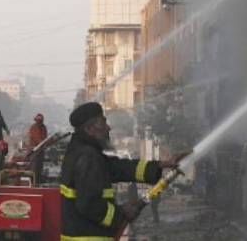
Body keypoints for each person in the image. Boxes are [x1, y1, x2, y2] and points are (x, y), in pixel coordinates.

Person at [59, 102, 187, 239]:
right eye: (103, 122)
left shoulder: (83, 152)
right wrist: (120, 213)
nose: (108, 127)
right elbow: (89, 204)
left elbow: (119, 168)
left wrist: (162, 164)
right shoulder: (87, 157)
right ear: (90, 129)